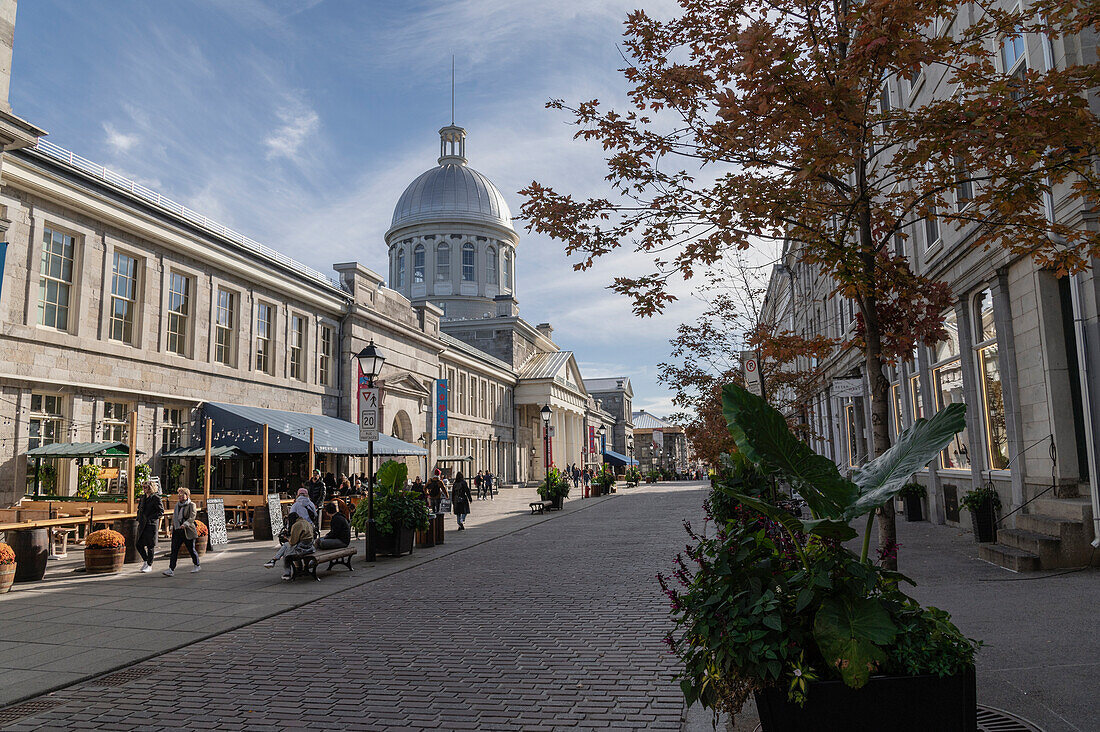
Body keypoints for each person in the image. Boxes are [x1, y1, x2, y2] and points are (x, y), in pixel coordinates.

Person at [264, 513, 315, 580]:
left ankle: (281, 567)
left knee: (286, 552)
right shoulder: (306, 522)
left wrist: (286, 538)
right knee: (286, 548)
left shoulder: (296, 525)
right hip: (310, 547)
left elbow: (292, 542)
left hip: (302, 548)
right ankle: (274, 561)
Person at [162, 487, 200, 576]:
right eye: (179, 495)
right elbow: (174, 516)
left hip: (187, 530)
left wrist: (185, 524)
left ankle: (197, 564)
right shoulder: (177, 505)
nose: (180, 497)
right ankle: (171, 569)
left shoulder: (191, 505)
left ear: (187, 495)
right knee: (174, 550)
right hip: (177, 530)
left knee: (191, 549)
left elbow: (192, 517)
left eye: (182, 495)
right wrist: (172, 527)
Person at [135, 481, 163, 573]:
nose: (144, 489)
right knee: (138, 544)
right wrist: (138, 518)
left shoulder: (156, 498)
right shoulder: (143, 497)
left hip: (151, 524)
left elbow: (160, 511)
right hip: (142, 523)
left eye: (146, 487)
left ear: (151, 487)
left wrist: (151, 519)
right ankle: (146, 560)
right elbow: (140, 508)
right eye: (143, 487)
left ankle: (149, 564)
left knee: (150, 545)